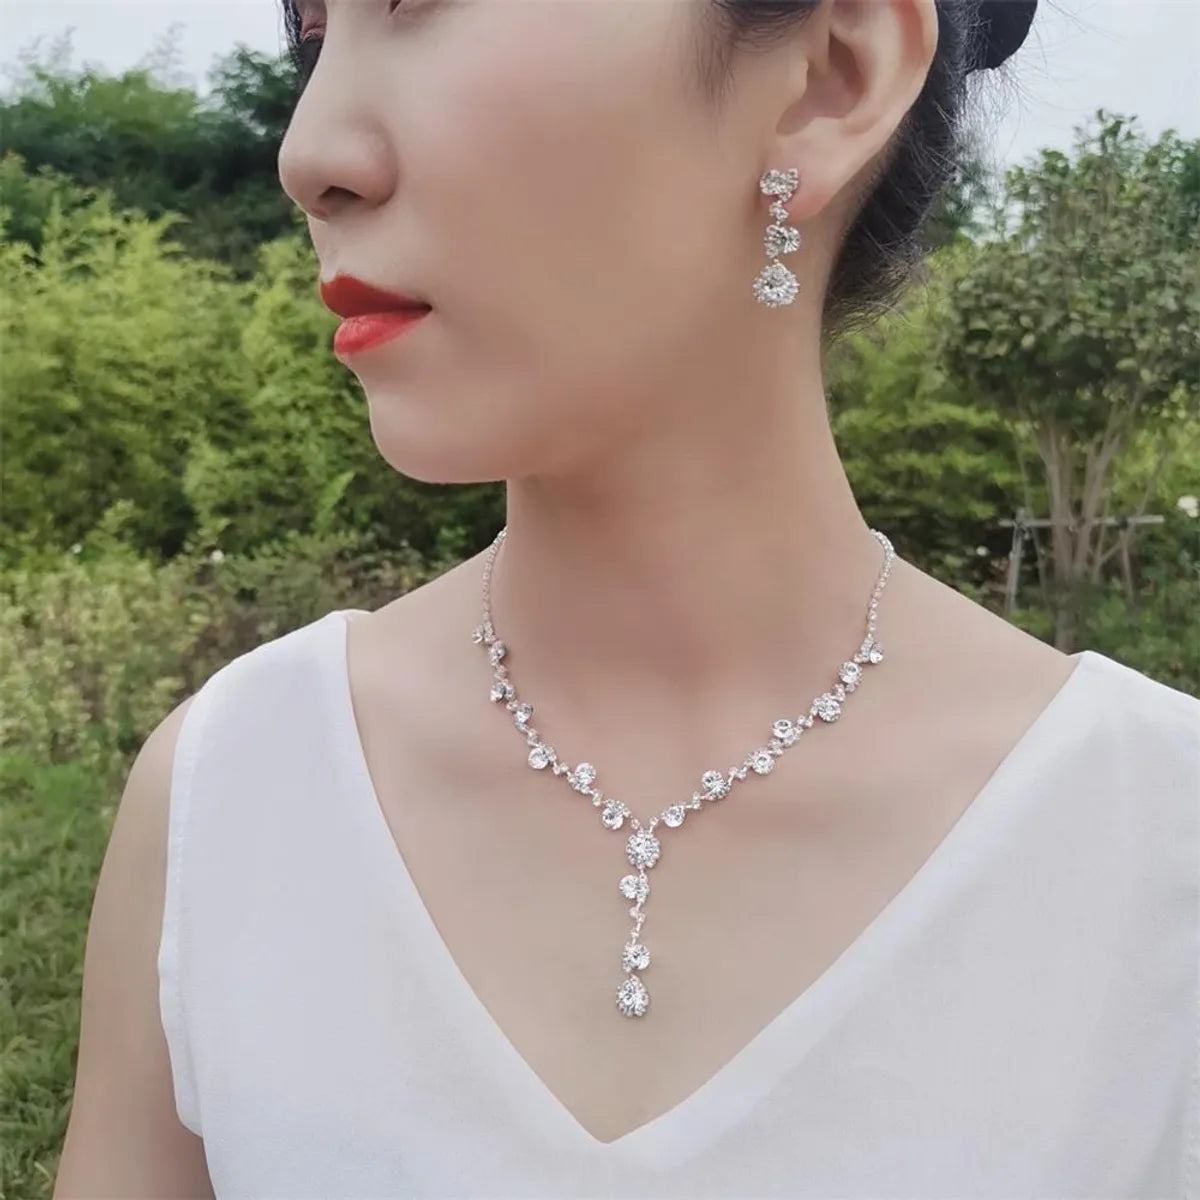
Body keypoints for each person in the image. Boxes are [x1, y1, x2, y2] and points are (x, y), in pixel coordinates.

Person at [54, 0, 1199, 1196]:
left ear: (832, 76)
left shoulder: (1161, 853)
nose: (308, 155)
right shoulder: (233, 794)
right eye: (312, 35)